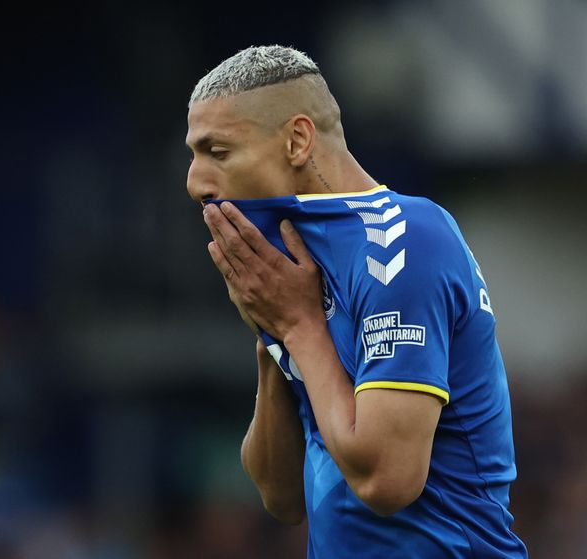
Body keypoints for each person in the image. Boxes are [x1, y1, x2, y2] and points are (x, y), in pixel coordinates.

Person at [185, 45, 527, 558]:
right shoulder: (296, 257)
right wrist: (273, 339)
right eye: (193, 154)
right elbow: (281, 495)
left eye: (218, 152)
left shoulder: (405, 239)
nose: (195, 183)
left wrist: (299, 327)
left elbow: (386, 480)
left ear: (297, 141)